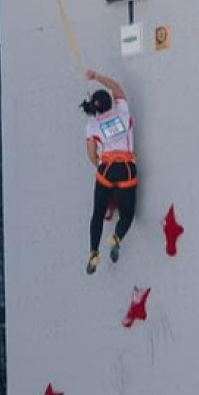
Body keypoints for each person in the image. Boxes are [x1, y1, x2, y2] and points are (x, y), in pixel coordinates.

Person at [80, 69, 138, 275]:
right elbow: (115, 86)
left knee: (97, 213)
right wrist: (96, 77)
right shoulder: (123, 112)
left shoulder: (92, 125)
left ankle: (94, 252)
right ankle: (117, 237)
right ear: (110, 102)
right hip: (126, 169)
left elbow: (91, 154)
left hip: (106, 170)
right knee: (128, 214)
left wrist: (100, 166)